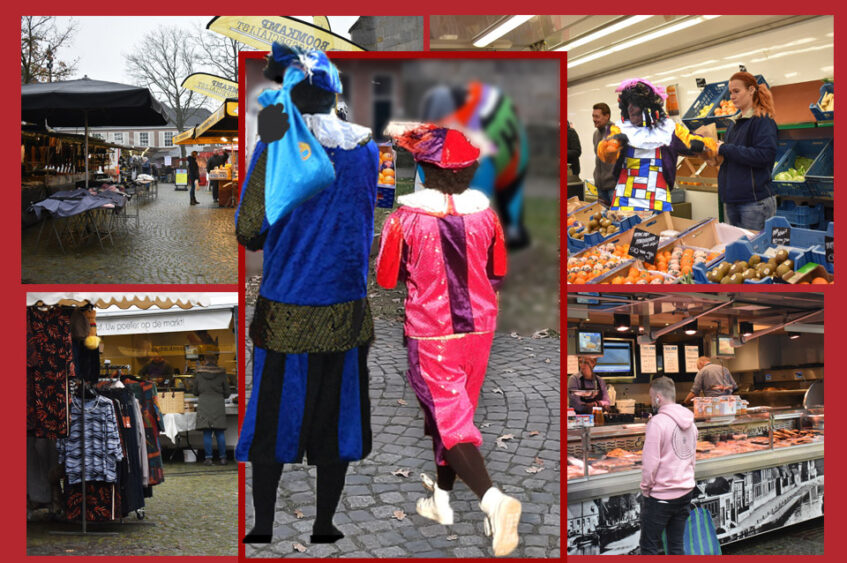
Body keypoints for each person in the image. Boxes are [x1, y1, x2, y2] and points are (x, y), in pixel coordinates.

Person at [234, 43, 377, 545]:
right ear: (334, 95)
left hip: (287, 305)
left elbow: (249, 229)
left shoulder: (276, 145)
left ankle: (263, 526)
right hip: (346, 305)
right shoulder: (366, 148)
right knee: (336, 420)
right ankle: (323, 525)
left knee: (273, 417)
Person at [376, 125, 522, 557]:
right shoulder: (487, 216)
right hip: (480, 330)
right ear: (470, 171)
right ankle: (441, 501)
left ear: (423, 171)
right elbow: (498, 272)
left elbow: (386, 278)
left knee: (450, 422)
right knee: (454, 417)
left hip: (431, 333)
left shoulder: (403, 220)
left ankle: (494, 501)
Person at [418, 83, 531, 250]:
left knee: (506, 198)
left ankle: (513, 230)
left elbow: (478, 195)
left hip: (511, 156)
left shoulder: (477, 143)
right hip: (495, 136)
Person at [597, 79, 717, 213]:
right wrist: (613, 146)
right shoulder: (620, 129)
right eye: (628, 104)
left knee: (657, 227)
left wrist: (702, 147)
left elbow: (703, 145)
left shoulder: (669, 130)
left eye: (635, 104)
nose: (630, 108)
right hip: (625, 201)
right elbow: (605, 153)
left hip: (657, 201)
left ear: (648, 106)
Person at [640, 376, 697, 555]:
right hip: (685, 492)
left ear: (658, 398)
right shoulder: (691, 423)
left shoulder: (657, 423)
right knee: (676, 546)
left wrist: (646, 489)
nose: (652, 401)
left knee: (649, 547)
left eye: (652, 398)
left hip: (661, 496)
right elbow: (691, 458)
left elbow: (650, 464)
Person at [717, 71, 779, 230]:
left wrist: (725, 148)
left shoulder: (762, 121)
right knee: (738, 245)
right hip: (733, 200)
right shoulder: (734, 123)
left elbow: (764, 156)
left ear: (751, 90)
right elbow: (733, 156)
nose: (732, 96)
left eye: (736, 91)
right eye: (730, 92)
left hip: (754, 202)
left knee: (756, 246)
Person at [193, 353, 231, 465]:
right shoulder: (222, 374)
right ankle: (223, 458)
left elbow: (195, 391)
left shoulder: (199, 374)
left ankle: (208, 458)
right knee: (220, 432)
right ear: (216, 361)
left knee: (207, 433)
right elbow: (227, 393)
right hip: (218, 404)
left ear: (205, 361)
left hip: (204, 404)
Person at [591, 103, 617, 205]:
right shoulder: (596, 134)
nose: (594, 119)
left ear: (607, 116)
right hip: (600, 187)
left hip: (614, 187)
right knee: (603, 214)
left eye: (597, 116)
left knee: (616, 214)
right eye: (593, 116)